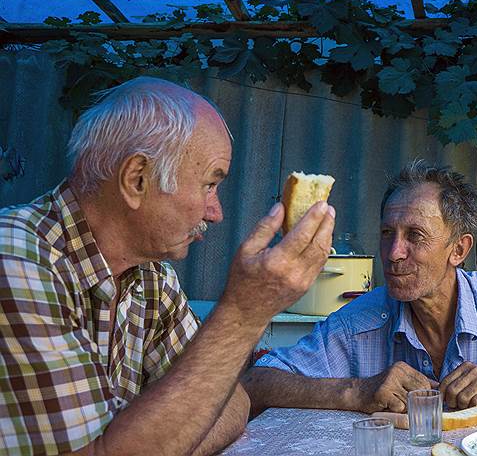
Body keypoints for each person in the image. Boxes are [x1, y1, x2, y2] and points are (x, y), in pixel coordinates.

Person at [0, 77, 335, 455]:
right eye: (210, 184)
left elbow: (232, 398)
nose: (217, 211)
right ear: (136, 178)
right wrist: (243, 313)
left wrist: (163, 438)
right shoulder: (17, 262)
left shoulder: (152, 278)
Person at [243, 160, 477, 416]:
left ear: (459, 250)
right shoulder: (358, 322)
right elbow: (255, 383)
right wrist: (358, 391)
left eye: (415, 235)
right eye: (386, 233)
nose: (393, 253)